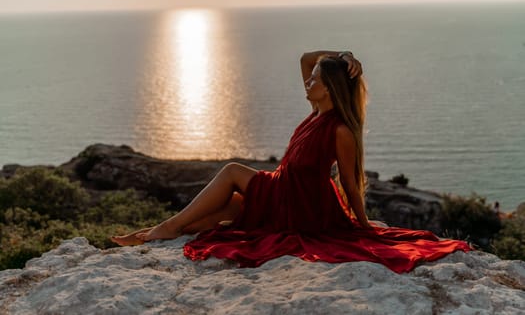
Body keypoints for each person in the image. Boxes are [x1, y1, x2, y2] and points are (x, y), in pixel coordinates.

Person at [111, 50, 470, 273]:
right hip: (282, 190)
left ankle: (166, 228)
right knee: (219, 218)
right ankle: (156, 233)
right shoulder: (316, 109)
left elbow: (348, 181)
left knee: (233, 172)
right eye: (310, 80)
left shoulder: (340, 129)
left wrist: (363, 225)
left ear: (329, 89)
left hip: (301, 204)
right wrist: (345, 55)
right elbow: (306, 57)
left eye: (314, 81)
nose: (307, 82)